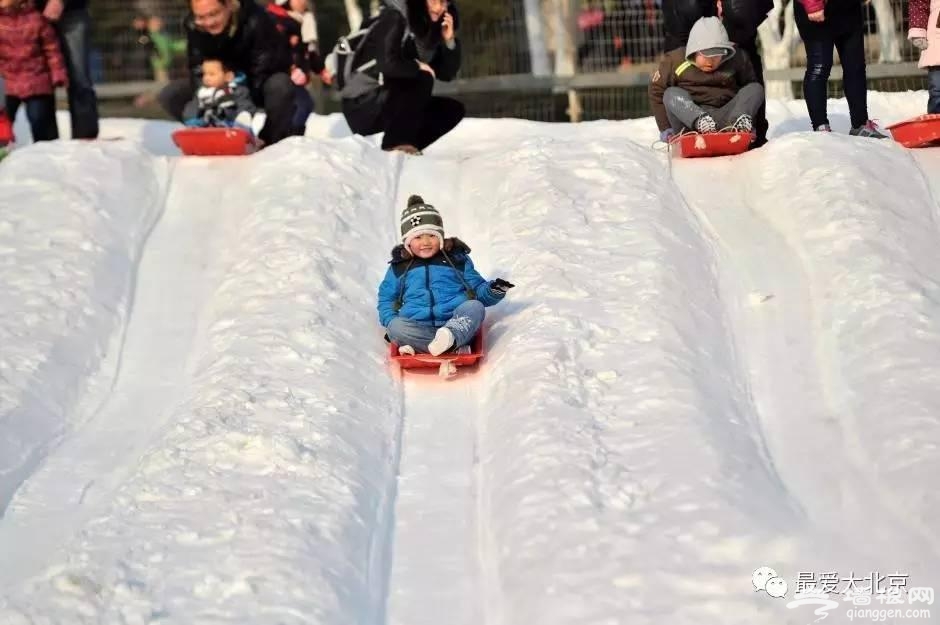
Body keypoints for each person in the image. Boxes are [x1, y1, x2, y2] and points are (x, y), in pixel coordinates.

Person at [377, 195, 513, 356]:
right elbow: (387, 300)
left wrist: (493, 290)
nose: (426, 242)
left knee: (475, 306)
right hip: (417, 325)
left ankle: (444, 340)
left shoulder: (456, 259)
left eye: (432, 235)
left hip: (456, 323)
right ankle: (450, 347)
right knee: (396, 326)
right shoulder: (399, 267)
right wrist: (390, 321)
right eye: (418, 237)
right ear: (407, 242)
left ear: (441, 237)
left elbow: (477, 291)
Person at [157, 0, 296, 146]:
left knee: (281, 86)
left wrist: (236, 89)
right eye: (201, 17)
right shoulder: (194, 26)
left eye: (214, 14)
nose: (208, 22)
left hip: (255, 84)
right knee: (171, 94)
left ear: (229, 5)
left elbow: (268, 64)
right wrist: (207, 95)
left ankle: (268, 140)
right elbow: (197, 67)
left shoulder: (256, 19)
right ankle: (207, 131)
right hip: (217, 84)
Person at [338, 0, 465, 154]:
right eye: (433, 1)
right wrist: (417, 66)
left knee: (452, 110)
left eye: (444, 3)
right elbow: (387, 63)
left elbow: (446, 74)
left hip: (390, 101)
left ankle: (406, 147)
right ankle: (396, 143)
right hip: (364, 103)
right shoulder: (395, 17)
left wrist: (449, 41)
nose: (439, 8)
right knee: (422, 77)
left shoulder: (429, 33)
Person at [661, 0, 772, 146]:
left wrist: (755, 123)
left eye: (716, 55)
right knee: (671, 94)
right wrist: (665, 128)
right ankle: (700, 122)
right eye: (705, 55)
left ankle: (739, 125)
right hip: (690, 121)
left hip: (725, 116)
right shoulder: (678, 59)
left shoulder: (737, 58)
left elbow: (749, 87)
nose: (710, 61)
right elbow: (658, 89)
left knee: (755, 89)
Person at [794, 0, 886, 137]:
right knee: (819, 68)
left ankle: (860, 125)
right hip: (817, 9)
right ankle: (821, 127)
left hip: (848, 9)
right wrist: (812, 3)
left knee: (856, 66)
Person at [0, 0, 68, 142]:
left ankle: (43, 150)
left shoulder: (37, 20)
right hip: (8, 81)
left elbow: (52, 50)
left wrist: (58, 73)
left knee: (39, 120)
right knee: (4, 119)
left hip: (36, 80)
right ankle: (4, 146)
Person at [34, 0, 99, 139]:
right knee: (39, 81)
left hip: (72, 13)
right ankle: (45, 144)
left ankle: (85, 139)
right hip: (33, 13)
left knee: (79, 78)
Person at [266, 0, 330, 135]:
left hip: (296, 76)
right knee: (303, 105)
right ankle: (288, 138)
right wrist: (290, 68)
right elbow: (273, 50)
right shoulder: (277, 20)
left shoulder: (305, 21)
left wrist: (321, 69)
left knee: (300, 106)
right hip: (281, 76)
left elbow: (308, 51)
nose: (303, 2)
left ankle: (291, 138)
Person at [182, 58, 256, 130]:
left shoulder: (237, 90)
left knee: (248, 116)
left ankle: (242, 128)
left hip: (230, 123)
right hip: (206, 124)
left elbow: (245, 105)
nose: (206, 78)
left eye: (211, 74)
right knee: (193, 116)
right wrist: (191, 120)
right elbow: (193, 107)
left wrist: (243, 115)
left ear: (228, 77)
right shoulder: (201, 92)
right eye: (204, 74)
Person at [908, 0, 940, 114]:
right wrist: (918, 30)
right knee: (937, 90)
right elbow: (919, 3)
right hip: (937, 41)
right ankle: (935, 125)